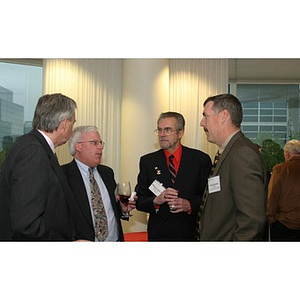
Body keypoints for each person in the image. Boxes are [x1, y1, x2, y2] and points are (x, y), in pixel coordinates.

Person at [0, 93, 77, 240]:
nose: (73, 128)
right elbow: (26, 225)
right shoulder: (33, 152)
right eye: (73, 123)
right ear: (64, 124)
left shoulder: (35, 146)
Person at [198, 93, 269, 241]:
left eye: (206, 116)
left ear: (224, 116)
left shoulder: (242, 154)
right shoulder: (229, 151)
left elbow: (251, 220)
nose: (202, 123)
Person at [135, 112, 212, 241]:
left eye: (168, 130)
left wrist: (189, 204)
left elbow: (210, 198)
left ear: (180, 133)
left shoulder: (200, 160)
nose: (162, 134)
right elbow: (139, 200)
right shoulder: (148, 161)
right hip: (159, 235)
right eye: (159, 130)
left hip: (190, 234)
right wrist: (155, 201)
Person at [61, 125, 136, 242]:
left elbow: (109, 209)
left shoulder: (107, 173)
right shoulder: (62, 176)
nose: (101, 147)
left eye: (101, 143)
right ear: (78, 146)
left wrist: (123, 209)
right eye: (95, 143)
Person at [267, 139, 300, 241]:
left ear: (287, 153)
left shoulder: (279, 170)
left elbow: (272, 197)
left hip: (283, 224)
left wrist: (270, 218)